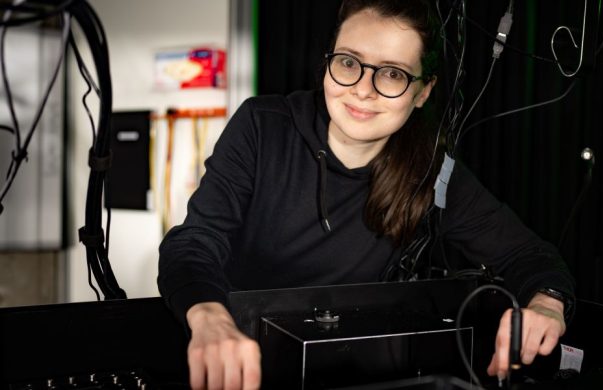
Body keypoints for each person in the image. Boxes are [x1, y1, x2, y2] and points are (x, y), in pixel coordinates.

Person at [158, 0, 575, 388]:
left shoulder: (432, 170)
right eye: (348, 62)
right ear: (328, 64)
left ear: (423, 92)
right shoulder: (262, 126)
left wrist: (547, 303)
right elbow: (192, 244)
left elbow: (528, 255)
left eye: (392, 73)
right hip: (237, 369)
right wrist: (210, 317)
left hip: (348, 375)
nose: (362, 89)